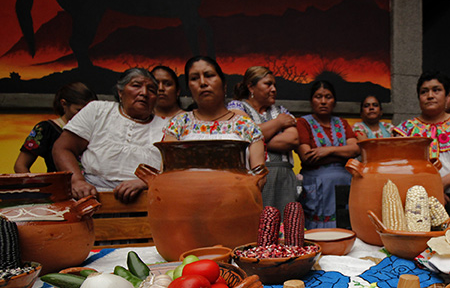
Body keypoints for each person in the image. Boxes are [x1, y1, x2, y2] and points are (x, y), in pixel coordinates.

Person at [52, 68, 165, 203]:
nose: (144, 93)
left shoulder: (167, 127)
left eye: (152, 90)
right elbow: (62, 148)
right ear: (120, 92)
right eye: (136, 85)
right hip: (92, 196)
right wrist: (77, 181)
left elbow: (175, 170)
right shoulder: (97, 111)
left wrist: (146, 182)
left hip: (145, 200)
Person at [393, 71, 450, 221]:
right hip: (415, 198)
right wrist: (429, 190)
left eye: (436, 90)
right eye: (424, 92)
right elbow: (400, 167)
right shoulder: (405, 130)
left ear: (447, 96)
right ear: (419, 98)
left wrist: (441, 184)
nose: (430, 95)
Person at [163, 56, 265, 170]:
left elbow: (259, 177)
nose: (202, 83)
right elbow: (168, 172)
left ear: (224, 85)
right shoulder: (178, 124)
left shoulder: (246, 126)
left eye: (209, 75)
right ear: (189, 88)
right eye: (194, 78)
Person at [229, 66, 299, 216]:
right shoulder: (237, 107)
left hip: (284, 178)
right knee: (260, 225)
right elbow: (244, 136)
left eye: (274, 85)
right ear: (251, 87)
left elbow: (293, 139)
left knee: (287, 226)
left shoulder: (281, 111)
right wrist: (279, 123)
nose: (274, 89)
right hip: (258, 176)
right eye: (268, 84)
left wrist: (257, 138)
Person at [297, 80, 360, 229]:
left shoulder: (342, 123)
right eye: (318, 97)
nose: (323, 101)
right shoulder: (303, 123)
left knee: (345, 225)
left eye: (328, 97)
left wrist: (327, 150)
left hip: (345, 184)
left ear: (334, 101)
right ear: (311, 101)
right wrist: (343, 153)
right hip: (318, 187)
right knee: (318, 231)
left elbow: (356, 149)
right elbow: (307, 156)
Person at [15, 82, 97, 173]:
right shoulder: (46, 129)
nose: (85, 114)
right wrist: (33, 185)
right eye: (79, 110)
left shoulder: (98, 128)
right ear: (64, 104)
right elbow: (21, 165)